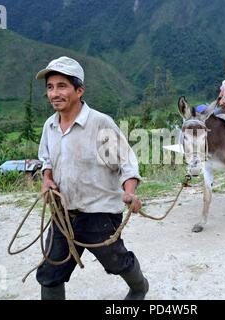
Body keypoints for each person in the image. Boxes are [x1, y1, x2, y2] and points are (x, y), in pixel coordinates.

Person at [35, 56, 149, 300]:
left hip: (99, 213)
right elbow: (46, 160)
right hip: (62, 214)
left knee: (116, 262)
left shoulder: (99, 124)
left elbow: (127, 163)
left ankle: (140, 288)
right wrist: (46, 180)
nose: (54, 93)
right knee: (50, 272)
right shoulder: (49, 126)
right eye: (50, 87)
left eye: (62, 86)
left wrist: (130, 192)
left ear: (79, 90)